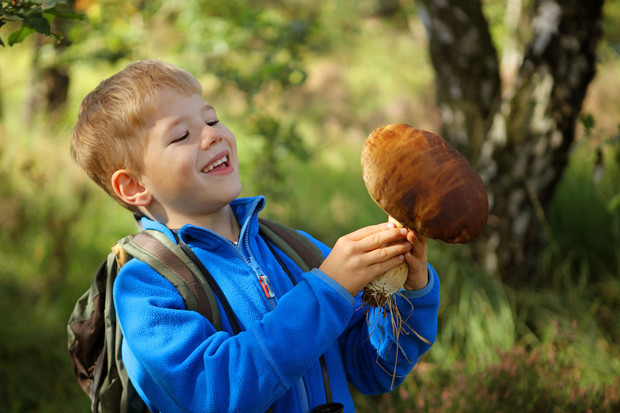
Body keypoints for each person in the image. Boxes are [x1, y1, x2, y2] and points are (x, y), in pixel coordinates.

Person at [71, 59, 440, 413]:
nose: (212, 134)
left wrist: (408, 289)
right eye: (182, 135)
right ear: (133, 186)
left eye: (212, 119)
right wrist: (329, 289)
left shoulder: (296, 249)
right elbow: (216, 393)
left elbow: (373, 370)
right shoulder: (145, 288)